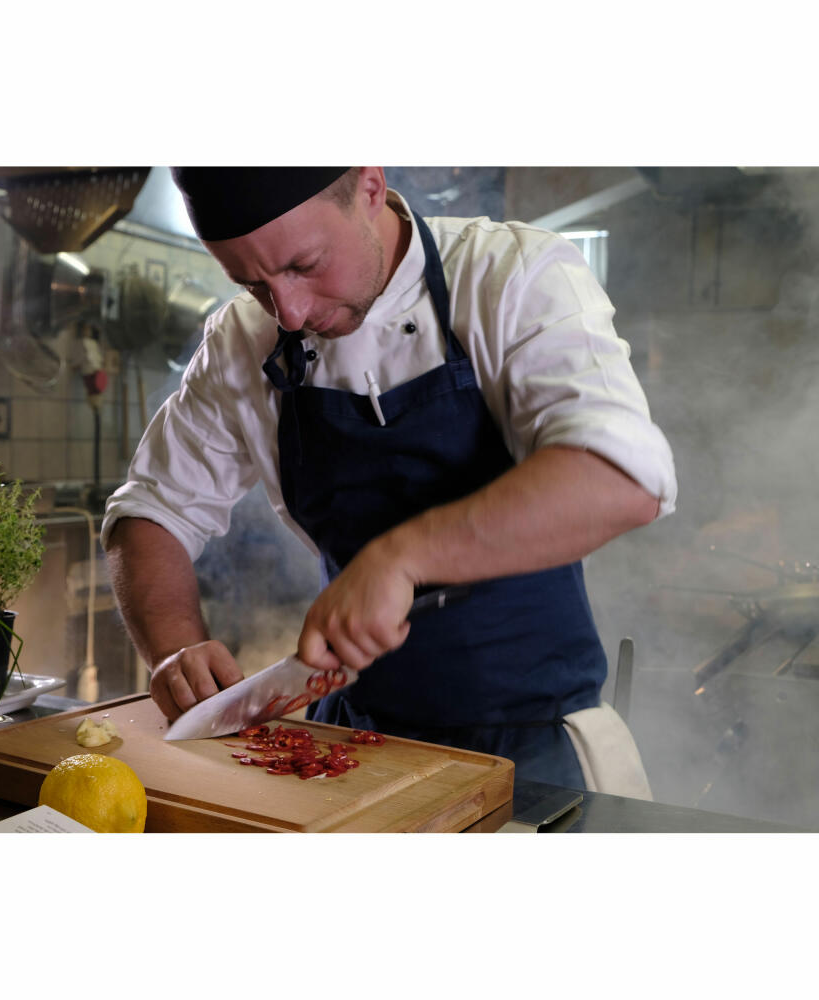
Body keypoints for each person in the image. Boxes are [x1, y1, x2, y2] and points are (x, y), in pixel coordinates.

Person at [101, 166, 677, 792]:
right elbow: (151, 510)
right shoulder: (242, 338)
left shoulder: (510, 275)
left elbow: (622, 476)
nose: (289, 313)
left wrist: (401, 559)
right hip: (350, 738)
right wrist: (174, 648)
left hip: (534, 745)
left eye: (304, 265)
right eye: (254, 284)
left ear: (370, 189)